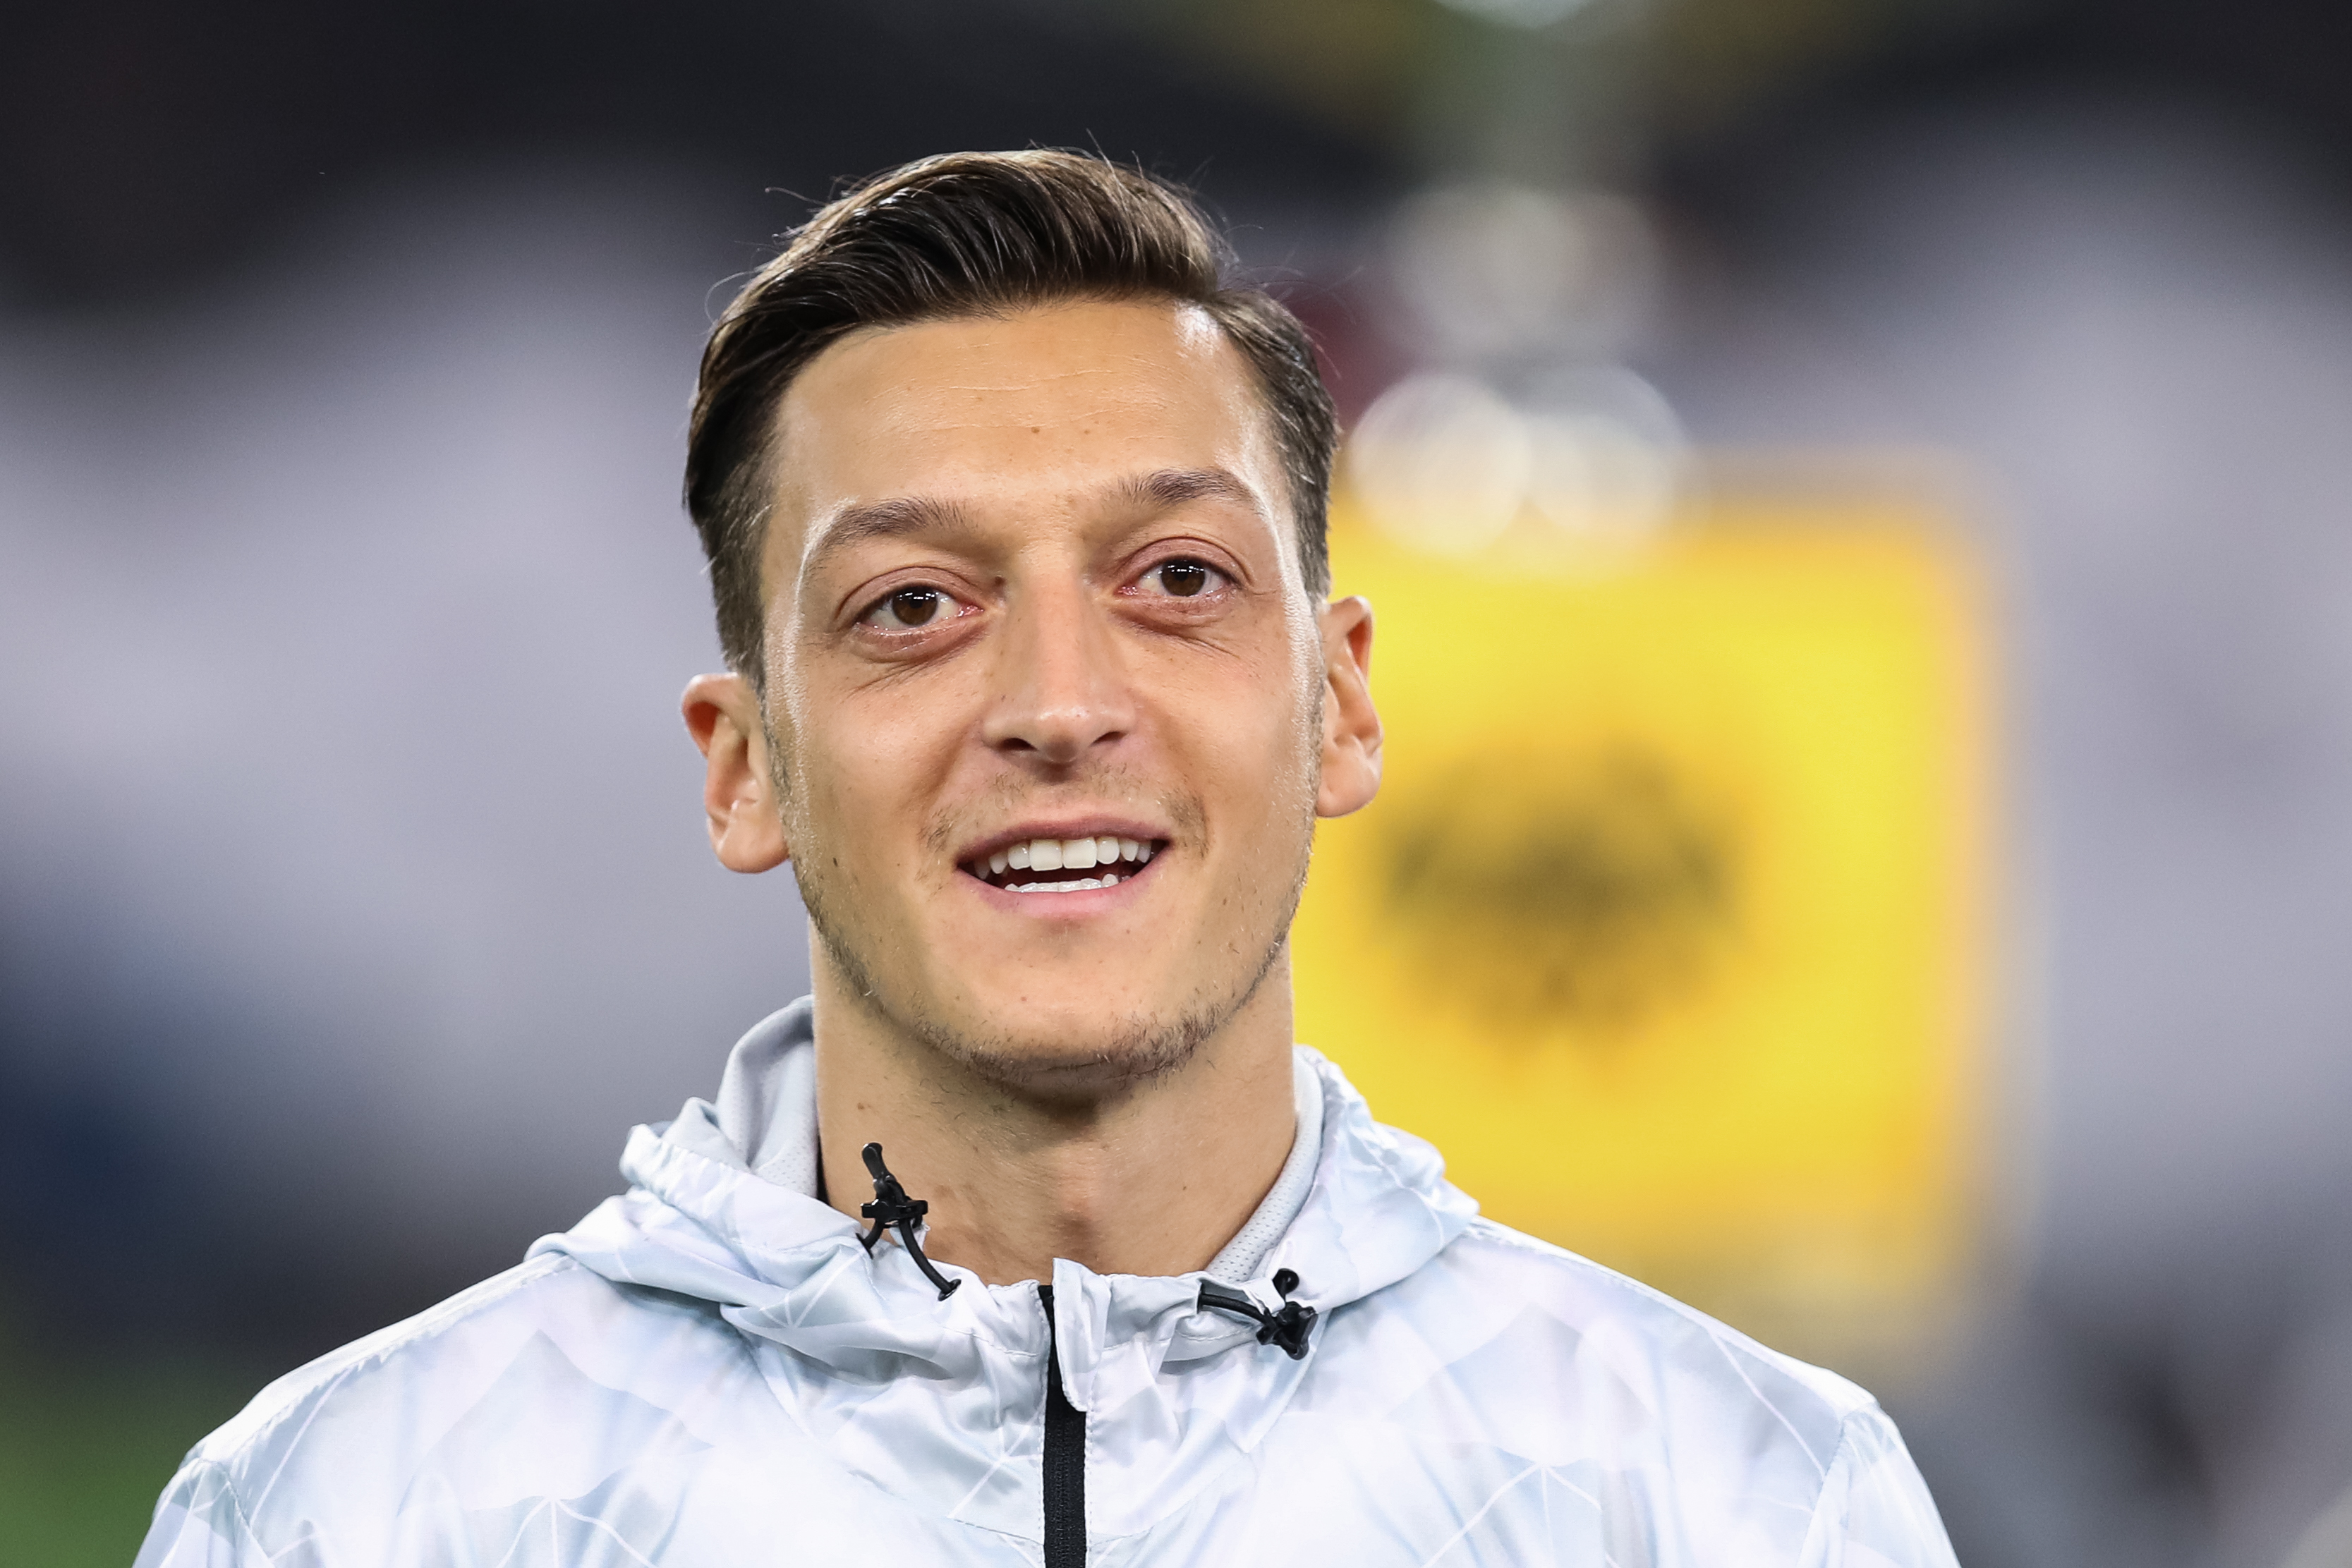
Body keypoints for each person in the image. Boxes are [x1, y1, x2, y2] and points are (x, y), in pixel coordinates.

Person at [136, 150, 1960, 1567]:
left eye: (1177, 582)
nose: (1059, 704)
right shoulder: (364, 1514)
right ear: (744, 766)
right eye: (914, 606)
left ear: (1340, 706)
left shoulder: (1727, 1496)